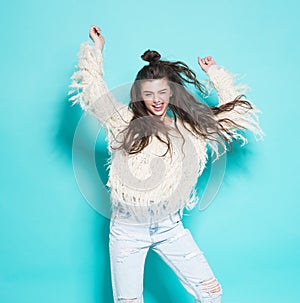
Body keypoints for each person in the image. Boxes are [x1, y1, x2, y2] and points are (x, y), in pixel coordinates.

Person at [68, 25, 264, 303]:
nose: (156, 100)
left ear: (171, 93)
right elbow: (93, 91)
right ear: (139, 96)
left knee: (211, 293)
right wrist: (97, 51)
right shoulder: (123, 123)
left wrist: (216, 74)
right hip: (127, 231)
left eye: (162, 92)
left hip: (169, 227)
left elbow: (234, 115)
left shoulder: (189, 129)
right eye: (148, 94)